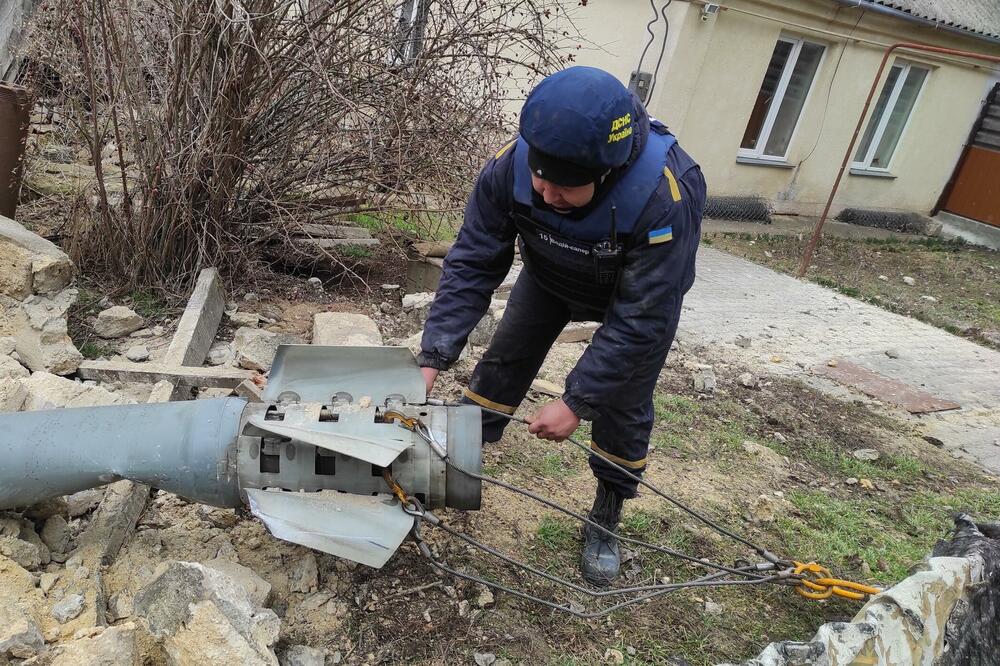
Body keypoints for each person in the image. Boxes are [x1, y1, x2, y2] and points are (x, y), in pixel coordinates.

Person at [417, 66, 706, 585]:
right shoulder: (510, 166)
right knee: (502, 363)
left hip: (632, 299)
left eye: (566, 187)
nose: (546, 193)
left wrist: (575, 401)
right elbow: (473, 260)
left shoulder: (666, 195)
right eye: (541, 179)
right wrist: (433, 356)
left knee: (623, 404)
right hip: (550, 276)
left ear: (608, 170)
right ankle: (453, 465)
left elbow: (644, 317)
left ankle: (607, 514)